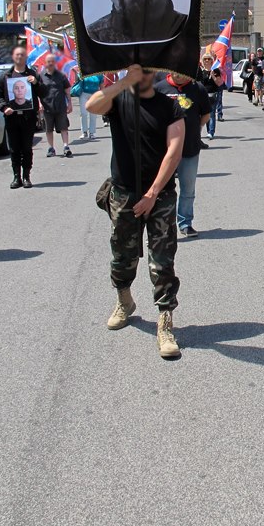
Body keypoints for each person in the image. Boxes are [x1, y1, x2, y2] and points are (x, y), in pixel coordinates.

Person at [86, 64, 186, 359]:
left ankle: (166, 322)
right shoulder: (117, 101)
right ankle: (124, 301)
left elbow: (175, 150)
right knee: (122, 254)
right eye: (135, 70)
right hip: (123, 193)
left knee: (162, 260)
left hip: (161, 196)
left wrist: (153, 194)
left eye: (144, 70)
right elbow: (92, 105)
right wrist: (121, 83)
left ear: (154, 73)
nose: (140, 75)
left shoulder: (171, 107)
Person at [154, 69, 212, 237]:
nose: (180, 75)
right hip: (164, 151)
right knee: (163, 189)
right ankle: (163, 224)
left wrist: (196, 128)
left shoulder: (198, 88)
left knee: (188, 189)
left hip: (189, 149)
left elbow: (206, 114)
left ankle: (185, 223)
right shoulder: (159, 88)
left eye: (183, 71)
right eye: (176, 71)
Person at [0, 45, 45, 189]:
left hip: (28, 117)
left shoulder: (32, 74)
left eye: (22, 55)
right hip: (12, 117)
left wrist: (36, 83)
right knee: (14, 148)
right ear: (13, 57)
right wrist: (4, 107)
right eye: (17, 55)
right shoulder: (5, 76)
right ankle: (16, 177)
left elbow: (44, 92)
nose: (20, 57)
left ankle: (26, 176)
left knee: (27, 148)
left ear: (26, 57)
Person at [38, 53, 74, 158]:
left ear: (55, 63)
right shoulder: (41, 76)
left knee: (64, 127)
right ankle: (51, 148)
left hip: (60, 106)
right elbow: (38, 92)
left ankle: (66, 147)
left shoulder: (61, 75)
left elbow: (67, 90)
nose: (50, 64)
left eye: (52, 62)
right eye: (48, 62)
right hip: (47, 107)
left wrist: (70, 104)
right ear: (45, 63)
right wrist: (40, 104)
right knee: (48, 129)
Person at [71, 64, 101, 139]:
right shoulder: (83, 71)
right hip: (84, 94)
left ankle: (92, 132)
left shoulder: (99, 74)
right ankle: (84, 132)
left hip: (95, 95)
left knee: (93, 114)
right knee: (83, 113)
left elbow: (102, 86)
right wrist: (75, 73)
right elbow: (76, 81)